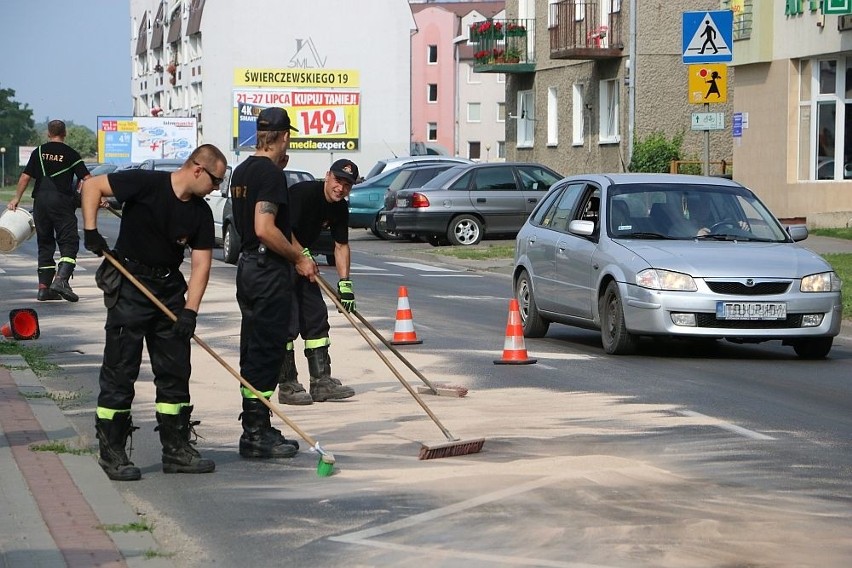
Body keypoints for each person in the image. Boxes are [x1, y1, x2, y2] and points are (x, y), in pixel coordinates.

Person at [80, 144, 228, 481]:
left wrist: (190, 311)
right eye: (216, 180)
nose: (217, 188)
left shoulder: (201, 214)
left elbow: (202, 263)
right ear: (197, 169)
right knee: (121, 370)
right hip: (130, 284)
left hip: (169, 290)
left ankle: (176, 449)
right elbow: (92, 186)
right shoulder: (146, 184)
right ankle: (112, 451)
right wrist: (91, 230)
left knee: (175, 371)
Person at [231, 107, 318, 459]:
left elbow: (275, 230)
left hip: (250, 267)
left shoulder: (243, 170)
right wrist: (297, 259)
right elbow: (265, 229)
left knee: (255, 349)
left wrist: (304, 258)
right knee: (265, 352)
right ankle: (255, 432)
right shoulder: (269, 174)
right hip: (266, 272)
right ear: (283, 137)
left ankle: (258, 426)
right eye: (288, 138)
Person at [278, 159, 359, 405]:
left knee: (316, 317)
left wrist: (345, 284)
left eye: (347, 185)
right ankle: (288, 385)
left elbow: (341, 244)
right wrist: (301, 255)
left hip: (304, 263)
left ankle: (321, 382)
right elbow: (283, 230)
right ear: (327, 176)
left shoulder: (339, 208)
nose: (340, 188)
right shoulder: (304, 194)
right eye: (337, 181)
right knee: (286, 324)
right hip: (281, 261)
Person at [7, 120, 91, 302]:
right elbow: (87, 178)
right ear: (65, 133)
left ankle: (44, 289)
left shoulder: (38, 151)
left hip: (41, 203)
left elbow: (24, 177)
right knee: (69, 241)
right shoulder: (71, 153)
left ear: (48, 133)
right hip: (61, 202)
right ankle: (61, 280)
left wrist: (16, 199)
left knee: (45, 243)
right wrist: (93, 198)